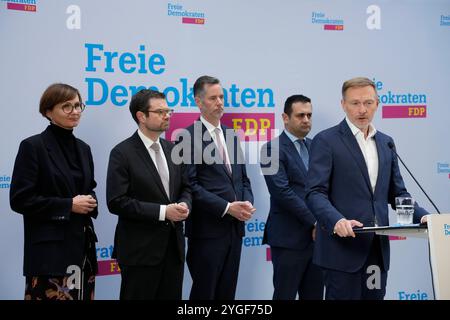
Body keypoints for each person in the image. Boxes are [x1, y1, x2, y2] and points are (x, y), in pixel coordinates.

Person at [305, 77, 429, 300]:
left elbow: (397, 193)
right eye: (355, 103)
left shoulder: (386, 142)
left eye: (368, 103)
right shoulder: (326, 140)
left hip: (376, 252)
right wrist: (336, 221)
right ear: (343, 104)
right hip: (341, 251)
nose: (362, 110)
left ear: (377, 104)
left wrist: (424, 217)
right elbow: (315, 193)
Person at [10, 83, 99, 300]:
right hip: (50, 256)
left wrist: (90, 201)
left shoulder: (84, 148)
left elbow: (89, 188)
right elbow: (20, 199)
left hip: (83, 252)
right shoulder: (33, 146)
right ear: (48, 112)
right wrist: (68, 205)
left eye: (78, 105)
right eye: (67, 106)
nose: (75, 111)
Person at [106, 89, 191, 300]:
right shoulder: (122, 152)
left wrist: (184, 204)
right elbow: (117, 201)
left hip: (173, 250)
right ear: (141, 116)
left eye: (169, 110)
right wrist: (163, 212)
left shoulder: (174, 150)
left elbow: (186, 188)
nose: (168, 115)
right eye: (160, 111)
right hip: (140, 253)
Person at [175, 75, 255, 300]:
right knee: (204, 295)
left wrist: (247, 203)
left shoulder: (231, 135)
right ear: (199, 102)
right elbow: (190, 185)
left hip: (235, 231)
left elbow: (243, 180)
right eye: (213, 98)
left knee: (227, 295)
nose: (220, 102)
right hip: (207, 233)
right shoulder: (187, 137)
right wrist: (227, 207)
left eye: (221, 97)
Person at [260, 94, 323, 300]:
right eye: (300, 115)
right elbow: (281, 192)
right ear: (285, 118)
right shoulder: (269, 149)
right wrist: (315, 221)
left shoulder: (318, 147)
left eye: (309, 115)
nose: (306, 120)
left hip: (318, 239)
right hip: (288, 238)